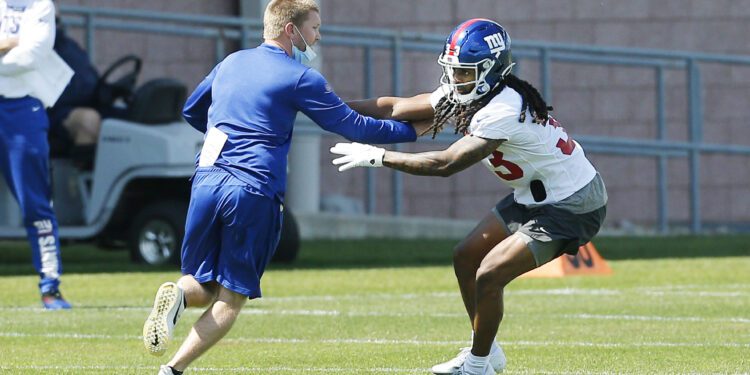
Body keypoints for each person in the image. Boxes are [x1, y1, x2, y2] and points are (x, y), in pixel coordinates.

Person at [141, 1, 425, 374]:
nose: (318, 36)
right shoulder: (300, 77)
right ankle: (172, 370)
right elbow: (353, 126)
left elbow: (193, 110)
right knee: (231, 297)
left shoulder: (231, 62)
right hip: (253, 188)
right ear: (291, 31)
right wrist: (413, 131)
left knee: (201, 284)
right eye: (314, 28)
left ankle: (177, 295)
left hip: (206, 181)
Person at [333, 19, 607, 375]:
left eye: (465, 73)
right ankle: (487, 352)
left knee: (490, 273)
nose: (456, 80)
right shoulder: (475, 93)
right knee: (466, 257)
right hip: (533, 195)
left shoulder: (502, 109)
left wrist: (379, 156)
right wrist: (329, 107)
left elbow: (447, 163)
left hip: (571, 204)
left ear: (492, 71)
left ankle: (478, 366)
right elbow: (394, 108)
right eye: (454, 71)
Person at [0, 0, 73, 309]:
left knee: (36, 204)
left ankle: (50, 286)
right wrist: (10, 42)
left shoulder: (40, 5)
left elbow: (31, 55)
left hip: (21, 109)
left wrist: (14, 45)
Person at [47, 6, 101, 159]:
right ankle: (77, 181)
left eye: (56, 20)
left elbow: (89, 74)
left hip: (83, 103)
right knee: (88, 120)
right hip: (50, 114)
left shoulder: (70, 46)